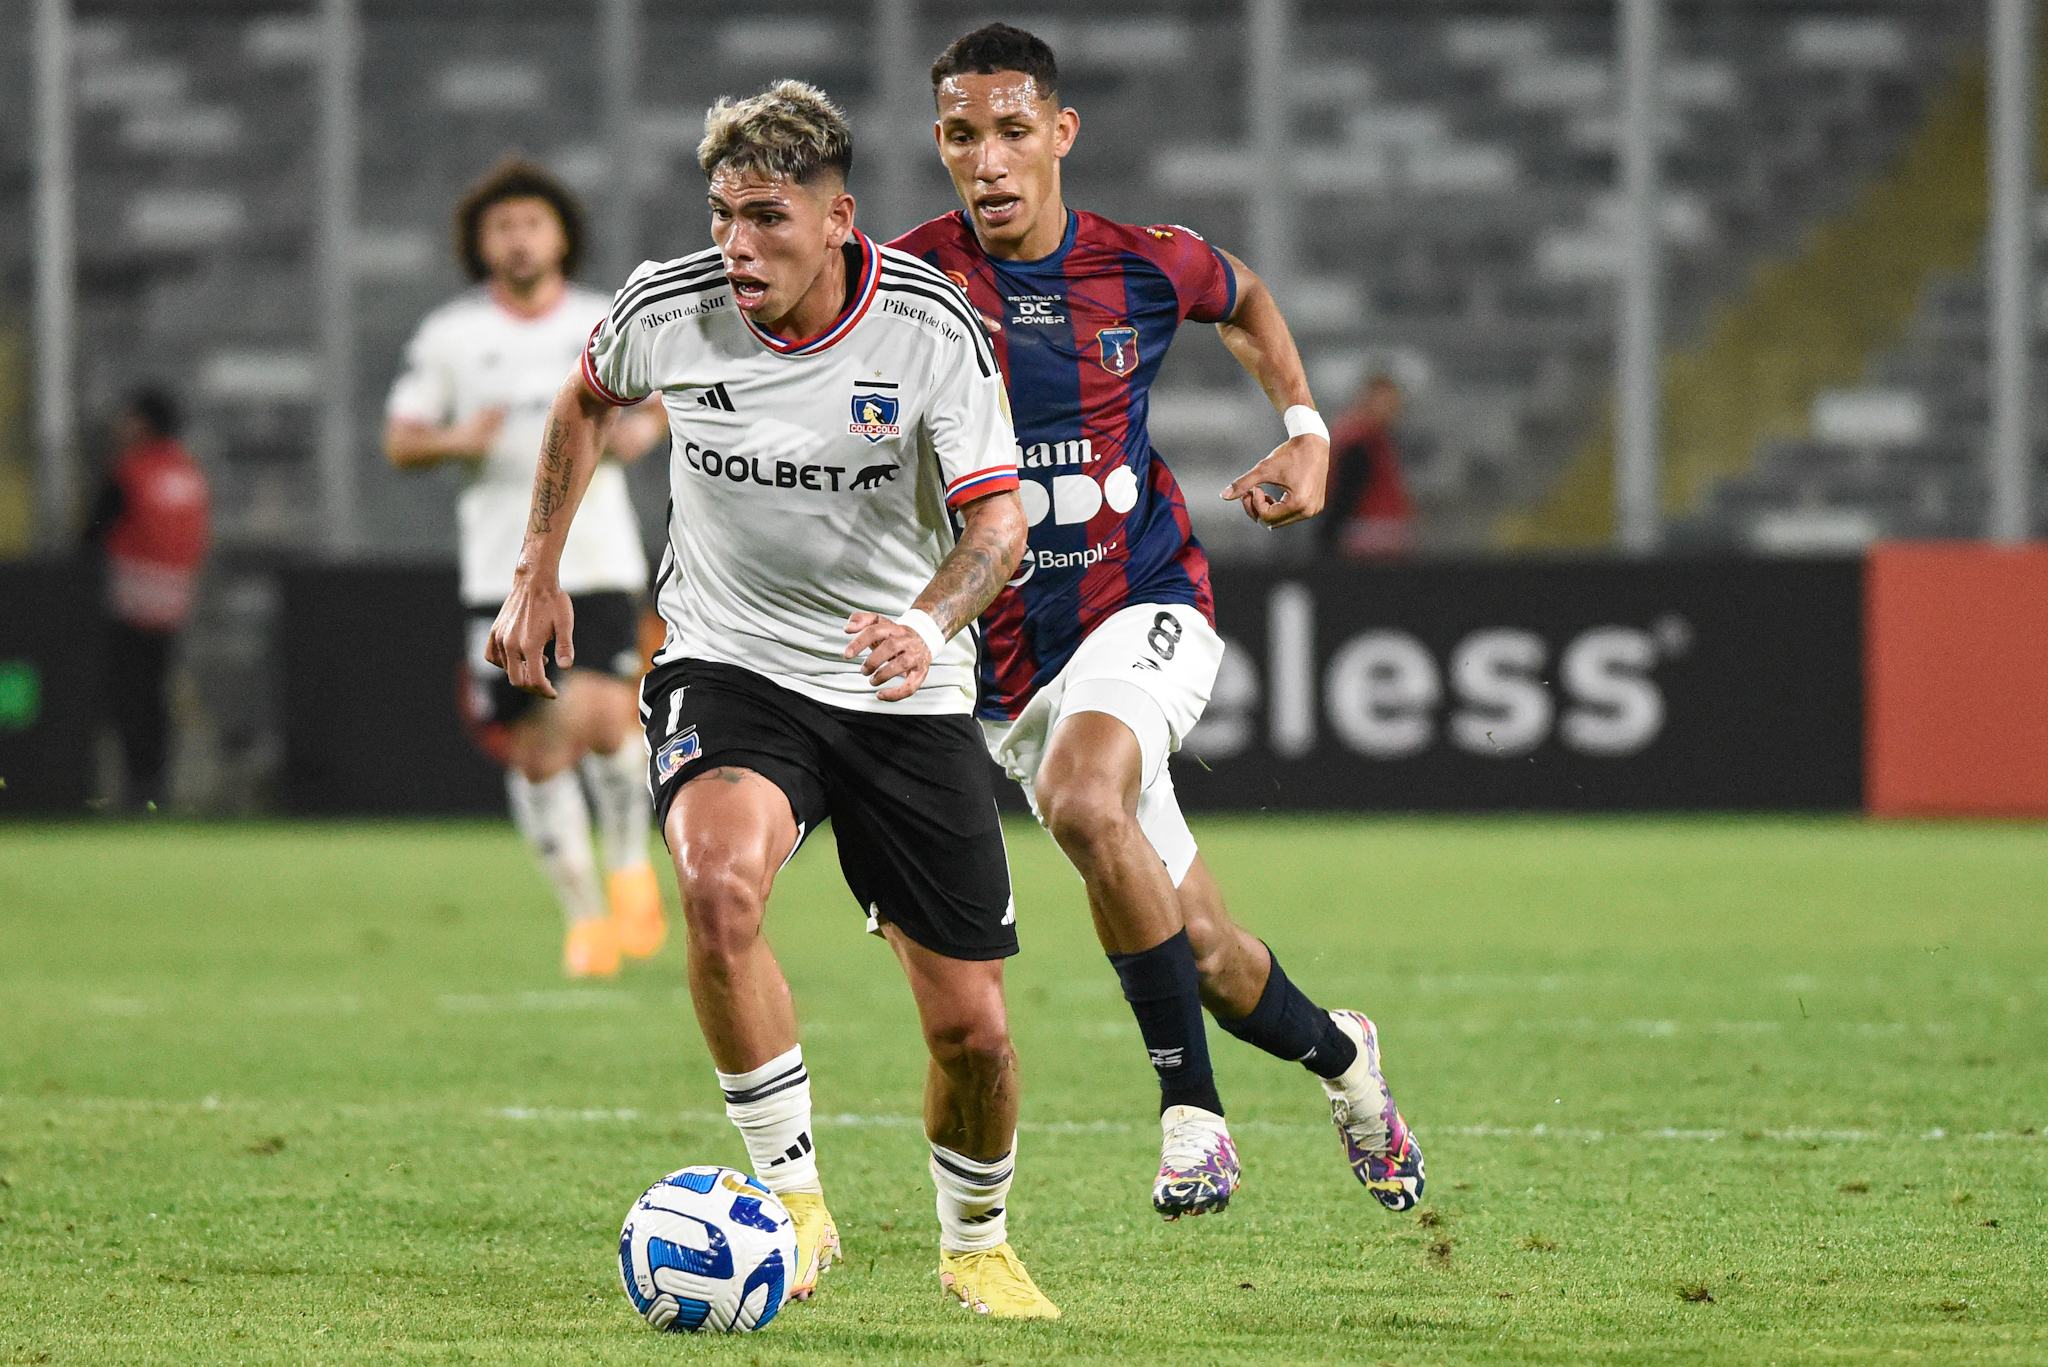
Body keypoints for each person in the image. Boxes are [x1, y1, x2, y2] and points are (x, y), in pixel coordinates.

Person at [487, 82, 1058, 1318]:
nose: (736, 246)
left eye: (765, 218)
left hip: (901, 683)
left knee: (971, 1029)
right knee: (716, 882)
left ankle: (974, 1240)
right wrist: (536, 567)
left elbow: (997, 525)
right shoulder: (669, 305)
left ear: (839, 218)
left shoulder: (928, 330)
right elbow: (587, 395)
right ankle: (790, 1201)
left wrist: (923, 620)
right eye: (720, 215)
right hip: (729, 660)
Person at [892, 24, 1424, 1220]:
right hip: (1009, 669)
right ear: (937, 144)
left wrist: (1304, 426)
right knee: (1212, 958)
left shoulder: (1141, 264)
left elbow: (1243, 299)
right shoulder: (908, 286)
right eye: (961, 135)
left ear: (1060, 135)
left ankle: (1193, 1119)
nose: (987, 160)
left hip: (1144, 604)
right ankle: (1346, 1059)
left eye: (1012, 131)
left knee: (1087, 797)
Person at [385, 158, 669, 979]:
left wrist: (636, 434)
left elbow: (653, 406)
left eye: (532, 223)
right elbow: (402, 438)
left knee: (613, 721)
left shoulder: (600, 317)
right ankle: (583, 918)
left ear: (561, 236)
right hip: (500, 568)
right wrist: (454, 441)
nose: (518, 239)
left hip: (599, 555)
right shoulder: (451, 335)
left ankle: (625, 864)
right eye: (502, 226)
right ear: (480, 242)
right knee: (540, 747)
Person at [82, 387, 209, 812]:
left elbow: (94, 531)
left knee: (123, 697)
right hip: (172, 604)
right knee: (155, 698)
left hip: (125, 603)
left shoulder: (132, 470)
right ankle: (156, 787)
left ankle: (126, 786)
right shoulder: (188, 473)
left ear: (144, 422)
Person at [1322, 374, 1415, 559]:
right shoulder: (1359, 440)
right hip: (1369, 530)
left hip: (1380, 527)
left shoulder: (1378, 440)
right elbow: (1347, 491)